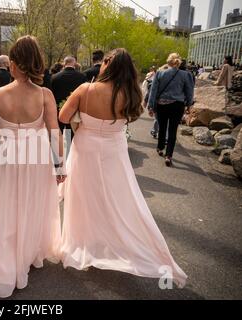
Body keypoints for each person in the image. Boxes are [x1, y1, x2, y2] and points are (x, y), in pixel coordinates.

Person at [59, 48, 188, 288]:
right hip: (114, 149)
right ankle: (118, 241)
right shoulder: (130, 94)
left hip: (85, 147)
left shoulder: (85, 89)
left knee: (83, 196)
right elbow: (131, 119)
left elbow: (64, 117)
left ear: (107, 63)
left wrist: (81, 114)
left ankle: (84, 242)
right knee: (117, 197)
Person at [0, 35, 64, 298]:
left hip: (9, 155)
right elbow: (55, 134)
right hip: (37, 156)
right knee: (33, 203)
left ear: (14, 63)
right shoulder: (45, 95)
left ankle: (9, 253)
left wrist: (4, 130)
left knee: (8, 203)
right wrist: (60, 166)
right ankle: (28, 252)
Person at [148, 53, 194, 167]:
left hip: (161, 105)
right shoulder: (185, 75)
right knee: (173, 130)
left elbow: (153, 91)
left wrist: (151, 106)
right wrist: (189, 105)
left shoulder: (160, 73)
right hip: (177, 105)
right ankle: (169, 156)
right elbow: (189, 91)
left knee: (162, 127)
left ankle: (160, 148)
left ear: (168, 62)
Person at [50, 56, 87, 137]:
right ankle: (70, 149)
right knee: (73, 136)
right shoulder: (82, 77)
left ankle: (55, 149)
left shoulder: (54, 77)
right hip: (75, 113)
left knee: (56, 136)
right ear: (75, 64)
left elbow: (52, 95)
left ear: (64, 63)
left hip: (58, 112)